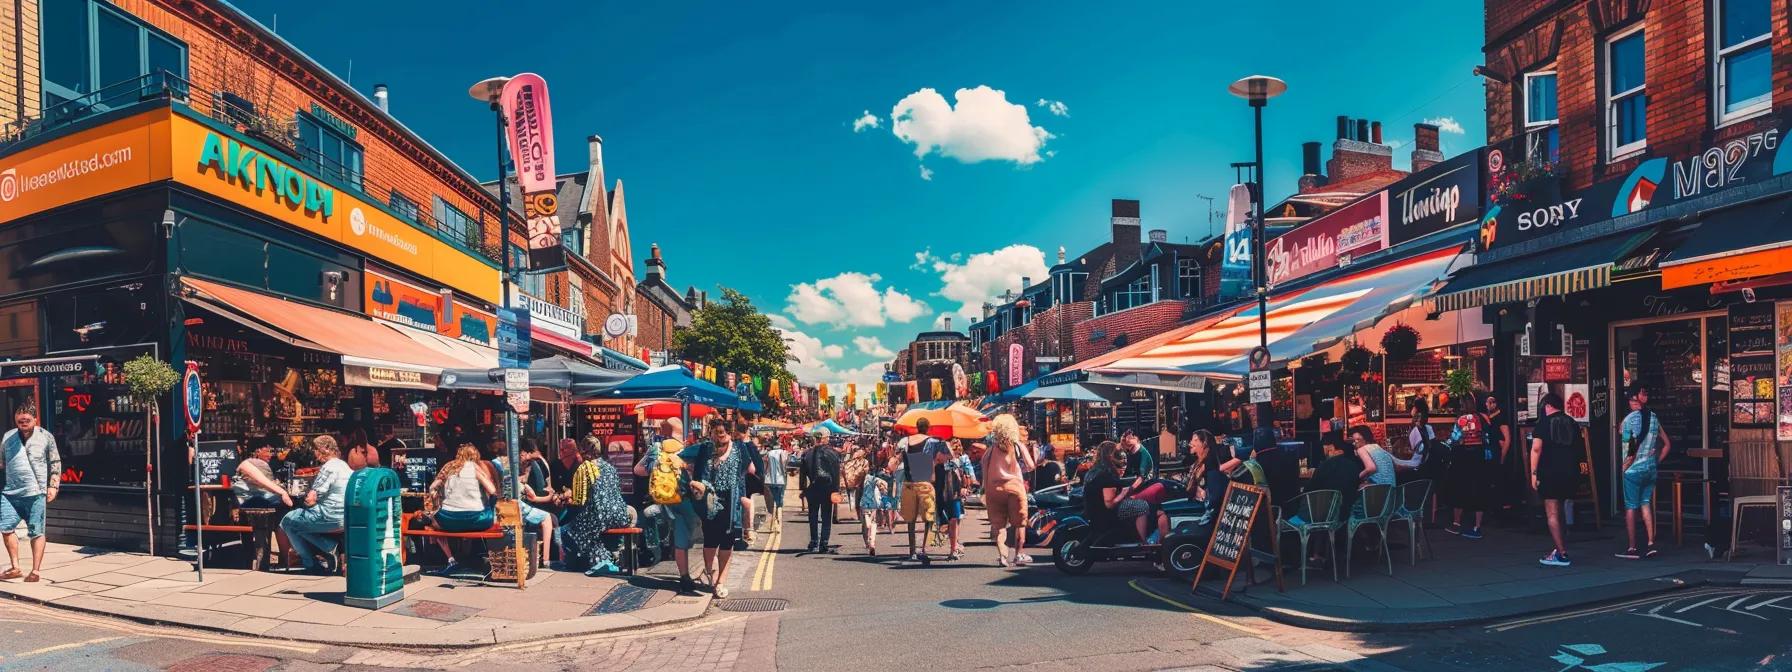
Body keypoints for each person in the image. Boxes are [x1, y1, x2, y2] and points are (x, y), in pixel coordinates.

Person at [634, 418, 703, 594]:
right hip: (685, 500)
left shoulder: (656, 449)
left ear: (664, 431)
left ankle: (680, 571)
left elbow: (638, 470)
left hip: (663, 500)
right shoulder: (689, 449)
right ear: (684, 432)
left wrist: (658, 470)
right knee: (691, 540)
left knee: (655, 518)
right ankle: (696, 576)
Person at [1, 407, 60, 582]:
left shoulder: (46, 436)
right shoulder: (8, 436)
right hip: (10, 493)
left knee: (37, 531)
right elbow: (2, 462)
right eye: (20, 421)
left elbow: (55, 462)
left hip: (36, 492)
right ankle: (15, 567)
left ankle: (35, 571)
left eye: (27, 420)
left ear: (35, 419)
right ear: (15, 420)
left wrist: (53, 486)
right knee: (5, 529)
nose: (23, 424)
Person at [280, 435, 351, 574]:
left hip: (329, 516)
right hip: (346, 517)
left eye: (316, 450)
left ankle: (313, 562)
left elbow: (312, 498)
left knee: (287, 522)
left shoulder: (328, 467)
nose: (315, 454)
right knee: (298, 523)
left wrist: (307, 499)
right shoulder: (344, 465)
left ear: (325, 449)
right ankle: (326, 550)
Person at [690, 424, 746, 598]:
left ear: (729, 433)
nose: (719, 437)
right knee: (711, 540)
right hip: (709, 502)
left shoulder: (739, 448)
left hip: (731, 502)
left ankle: (720, 580)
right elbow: (698, 476)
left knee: (726, 542)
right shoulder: (705, 449)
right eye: (717, 434)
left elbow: (746, 471)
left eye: (722, 434)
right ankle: (711, 573)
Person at [426, 444, 499, 574]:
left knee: (431, 524)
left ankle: (451, 559)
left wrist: (437, 497)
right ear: (475, 456)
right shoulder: (475, 468)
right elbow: (493, 491)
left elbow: (432, 488)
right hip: (477, 520)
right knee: (488, 515)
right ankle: (484, 557)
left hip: (448, 521)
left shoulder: (449, 469)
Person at [564, 439, 633, 576]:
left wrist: (568, 498)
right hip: (620, 513)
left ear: (583, 450)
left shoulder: (585, 468)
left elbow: (579, 500)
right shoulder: (609, 467)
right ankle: (609, 557)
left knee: (573, 529)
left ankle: (602, 560)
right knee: (589, 526)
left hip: (600, 514)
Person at [1530, 393, 1581, 567]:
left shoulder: (1543, 423)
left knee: (1552, 513)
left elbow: (1536, 449)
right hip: (1570, 472)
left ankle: (1562, 553)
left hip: (1550, 473)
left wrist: (1533, 473)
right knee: (1562, 507)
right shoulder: (1572, 423)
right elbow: (1579, 448)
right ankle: (1559, 546)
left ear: (1548, 406)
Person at [1617, 386, 1667, 560]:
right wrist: (1655, 461)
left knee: (1631, 507)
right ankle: (1651, 543)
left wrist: (1624, 466)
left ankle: (1632, 547)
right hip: (1650, 469)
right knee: (1645, 503)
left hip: (1633, 470)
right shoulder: (1653, 418)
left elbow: (1629, 448)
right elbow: (1667, 444)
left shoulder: (1629, 420)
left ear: (1633, 401)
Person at [981, 414, 1036, 567]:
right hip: (1015, 488)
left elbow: (984, 471)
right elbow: (1031, 465)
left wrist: (985, 490)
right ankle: (1018, 555)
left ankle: (1003, 557)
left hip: (995, 490)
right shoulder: (1017, 445)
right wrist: (1020, 469)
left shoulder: (990, 451)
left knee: (999, 526)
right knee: (1019, 524)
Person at [897, 418, 953, 562]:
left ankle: (912, 552)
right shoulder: (934, 442)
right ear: (928, 428)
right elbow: (950, 455)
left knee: (911, 520)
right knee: (929, 518)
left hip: (909, 483)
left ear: (916, 427)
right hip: (925, 483)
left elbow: (897, 456)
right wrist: (935, 462)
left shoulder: (905, 441)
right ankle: (924, 550)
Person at [1445, 394, 1496, 540]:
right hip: (1480, 458)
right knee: (1479, 489)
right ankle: (1477, 526)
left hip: (1464, 457)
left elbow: (1454, 439)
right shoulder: (1483, 418)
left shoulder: (1461, 420)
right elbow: (1487, 438)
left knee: (1460, 488)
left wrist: (1446, 443)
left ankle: (1456, 523)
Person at [798, 437, 840, 554]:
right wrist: (836, 489)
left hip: (813, 486)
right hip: (828, 487)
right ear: (825, 438)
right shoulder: (833, 453)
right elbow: (836, 473)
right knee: (826, 516)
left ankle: (814, 542)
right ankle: (824, 543)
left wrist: (803, 489)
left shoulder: (807, 454)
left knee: (813, 516)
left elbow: (802, 474)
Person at [233, 438, 294, 510]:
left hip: (253, 500)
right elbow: (262, 480)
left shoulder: (259, 464)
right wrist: (283, 492)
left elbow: (263, 483)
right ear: (257, 451)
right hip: (247, 501)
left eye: (271, 452)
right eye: (267, 451)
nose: (270, 455)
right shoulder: (247, 463)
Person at [1350, 426, 1395, 516]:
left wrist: (1356, 477)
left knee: (1352, 494)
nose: (1355, 443)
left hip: (1377, 492)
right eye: (1354, 441)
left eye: (1358, 440)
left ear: (1366, 438)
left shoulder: (1361, 449)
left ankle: (1356, 525)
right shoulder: (1378, 447)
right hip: (1390, 494)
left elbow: (1371, 468)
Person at [934, 446, 968, 560]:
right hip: (939, 497)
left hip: (953, 495)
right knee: (944, 525)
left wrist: (962, 488)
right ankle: (955, 544)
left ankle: (953, 549)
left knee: (953, 520)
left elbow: (959, 476)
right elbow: (931, 479)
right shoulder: (935, 465)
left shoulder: (951, 464)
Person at [858, 458, 893, 556]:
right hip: (873, 502)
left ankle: (867, 543)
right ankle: (872, 542)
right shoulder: (870, 478)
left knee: (865, 525)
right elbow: (881, 482)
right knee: (873, 523)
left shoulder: (858, 479)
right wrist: (883, 491)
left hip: (864, 503)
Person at [762, 436, 789, 533]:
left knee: (772, 501)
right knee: (779, 502)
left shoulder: (768, 454)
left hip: (769, 480)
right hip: (780, 480)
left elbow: (765, 468)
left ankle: (772, 525)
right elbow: (784, 464)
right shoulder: (783, 453)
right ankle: (778, 525)